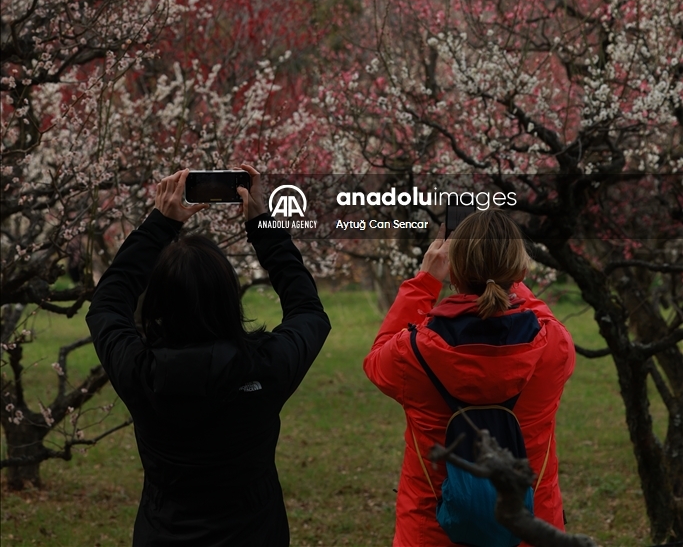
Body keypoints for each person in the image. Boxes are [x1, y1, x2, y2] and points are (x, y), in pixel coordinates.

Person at [86, 165, 331, 547]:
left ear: (158, 303)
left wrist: (159, 225)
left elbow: (106, 305)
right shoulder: (264, 368)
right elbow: (308, 311)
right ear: (230, 299)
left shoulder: (140, 373)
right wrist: (262, 226)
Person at [363, 208, 575, 547]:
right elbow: (537, 313)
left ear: (454, 274)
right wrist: (504, 270)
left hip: (435, 530)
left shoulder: (412, 352)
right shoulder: (554, 346)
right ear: (520, 270)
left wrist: (425, 282)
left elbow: (377, 358)